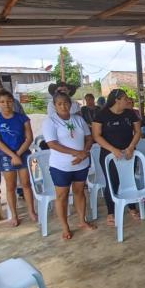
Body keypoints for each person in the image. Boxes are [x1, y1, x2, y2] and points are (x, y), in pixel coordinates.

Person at [42, 92, 96, 240]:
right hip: (61, 166)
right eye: (59, 104)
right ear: (54, 105)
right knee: (62, 196)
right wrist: (77, 153)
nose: (63, 106)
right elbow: (52, 143)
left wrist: (83, 153)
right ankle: (65, 227)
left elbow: (89, 138)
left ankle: (82, 221)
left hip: (81, 164)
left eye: (66, 103)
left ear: (71, 104)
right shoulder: (50, 122)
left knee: (79, 192)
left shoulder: (78, 119)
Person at [92, 89, 142, 227]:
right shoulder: (102, 114)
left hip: (129, 153)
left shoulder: (130, 113)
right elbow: (96, 136)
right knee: (112, 182)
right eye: (125, 98)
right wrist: (113, 150)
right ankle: (111, 212)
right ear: (117, 100)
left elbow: (138, 131)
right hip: (109, 154)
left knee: (129, 180)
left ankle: (132, 208)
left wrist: (131, 147)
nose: (128, 100)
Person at [0, 90, 37, 226]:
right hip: (6, 155)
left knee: (26, 184)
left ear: (13, 102)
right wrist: (13, 155)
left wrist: (18, 154)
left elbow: (29, 138)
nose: (6, 104)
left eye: (9, 101)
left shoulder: (22, 118)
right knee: (10, 186)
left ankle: (32, 211)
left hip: (23, 152)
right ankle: (14, 215)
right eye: (2, 102)